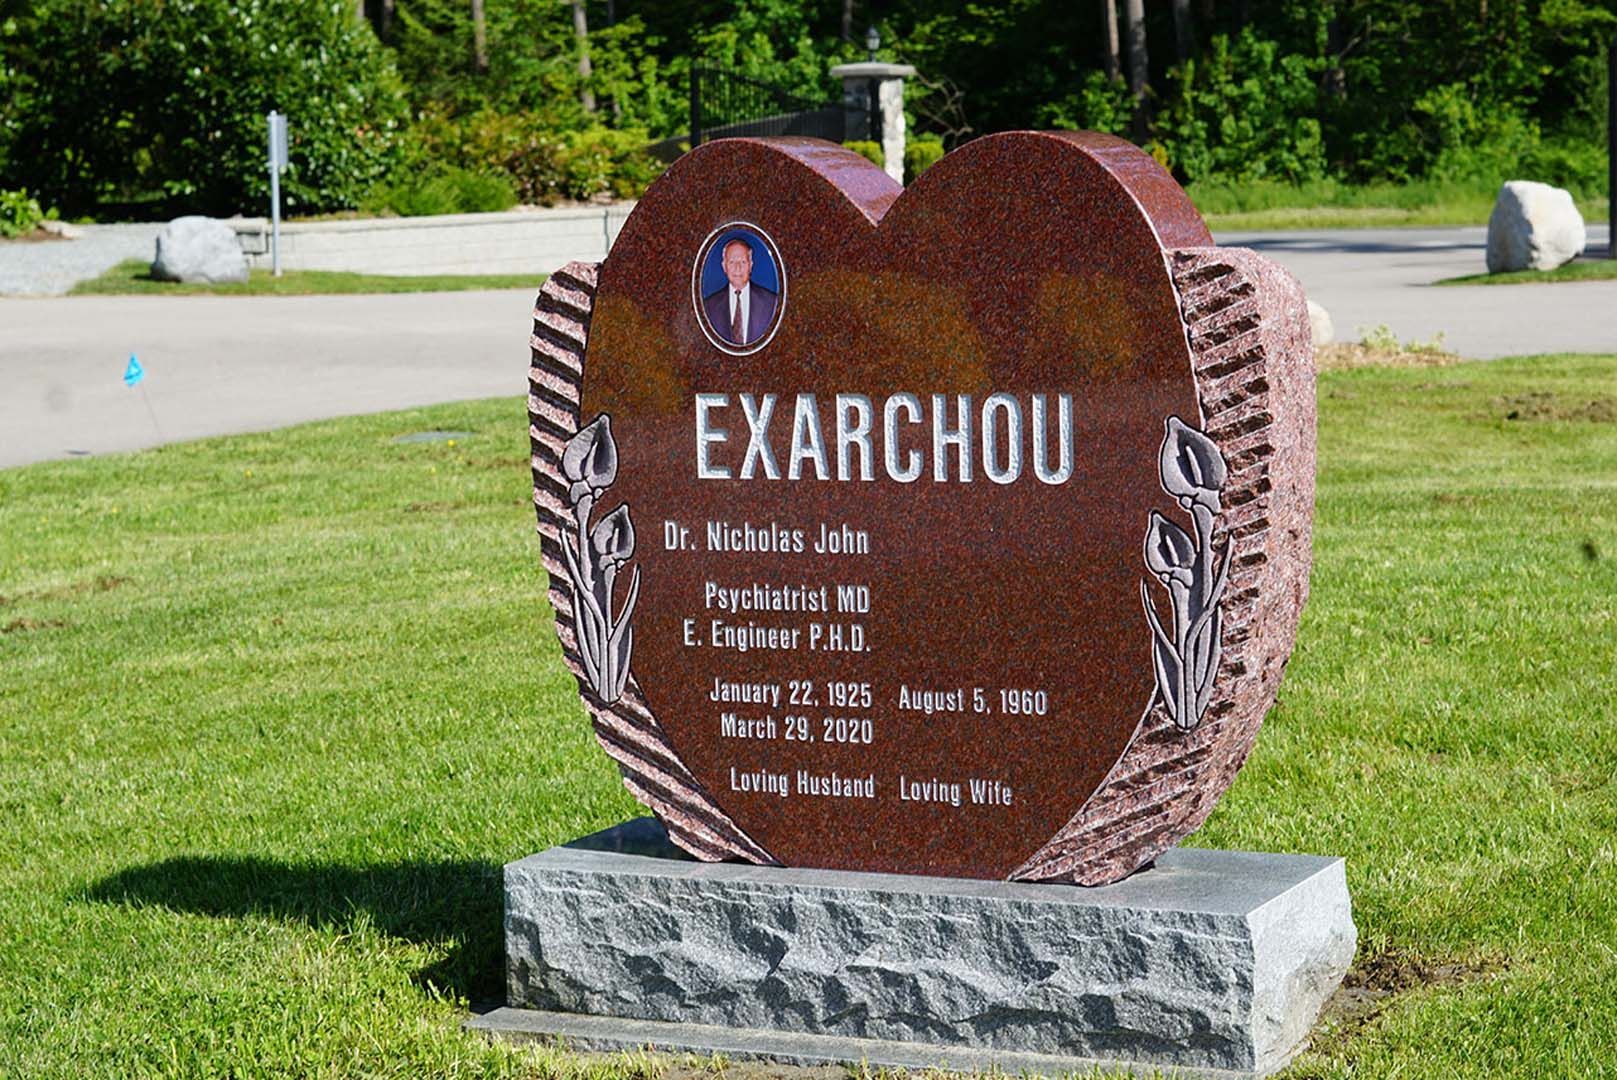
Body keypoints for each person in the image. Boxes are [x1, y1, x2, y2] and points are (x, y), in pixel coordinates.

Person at [702, 236, 778, 347]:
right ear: (724, 266)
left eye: (743, 262)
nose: (738, 268)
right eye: (732, 262)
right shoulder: (708, 307)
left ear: (751, 265)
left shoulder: (772, 303)